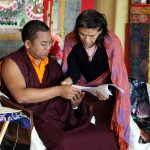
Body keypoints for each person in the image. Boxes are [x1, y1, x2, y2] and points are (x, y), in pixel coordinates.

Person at [0, 20, 118, 150]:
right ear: (28, 44)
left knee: (106, 136)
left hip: (61, 117)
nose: (48, 47)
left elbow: (62, 95)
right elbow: (21, 96)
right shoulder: (12, 63)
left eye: (50, 43)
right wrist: (59, 91)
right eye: (43, 44)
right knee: (64, 143)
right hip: (37, 119)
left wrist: (74, 104)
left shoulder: (51, 63)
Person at [61, 9, 131, 150]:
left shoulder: (112, 42)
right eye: (82, 34)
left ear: (100, 31)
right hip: (82, 88)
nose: (86, 39)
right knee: (72, 114)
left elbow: (117, 76)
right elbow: (73, 70)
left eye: (91, 35)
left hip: (106, 90)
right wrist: (68, 80)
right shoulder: (71, 39)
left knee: (106, 125)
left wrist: (108, 90)